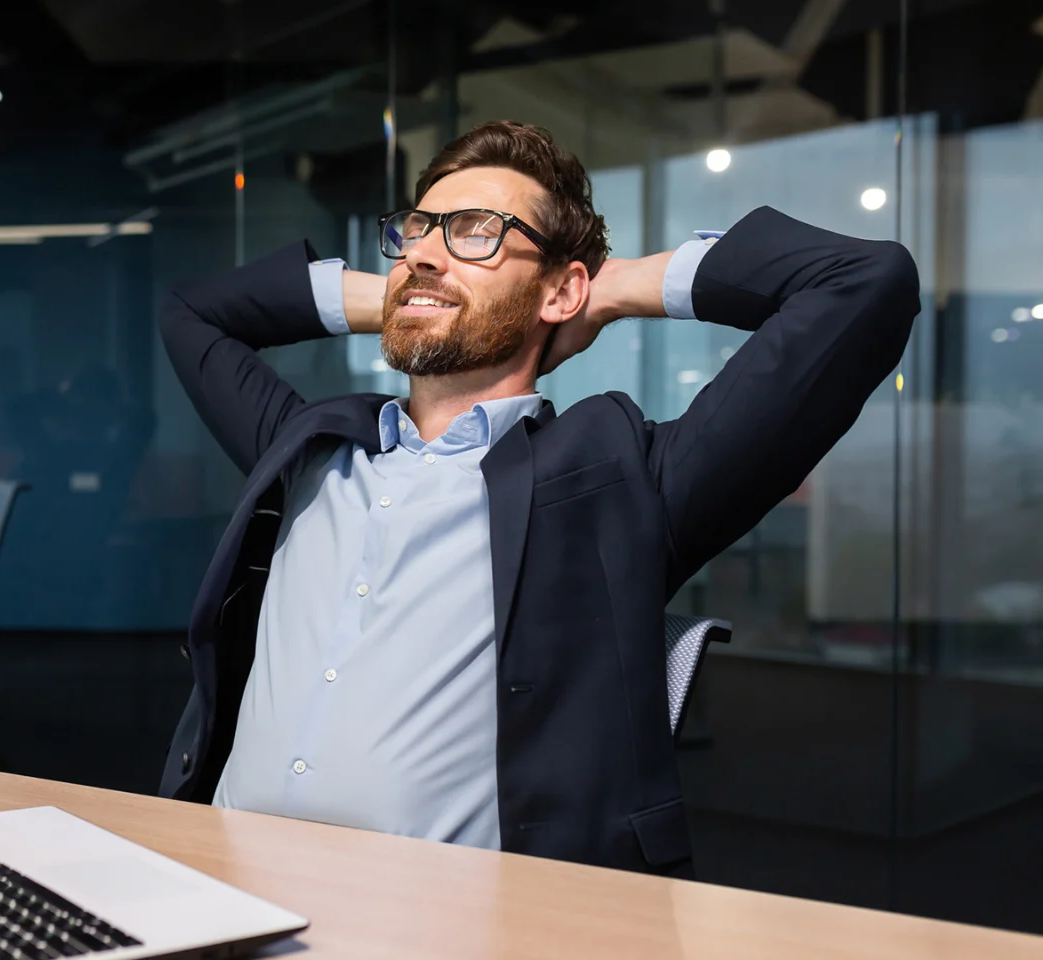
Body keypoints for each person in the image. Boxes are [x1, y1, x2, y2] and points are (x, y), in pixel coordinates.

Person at [157, 120, 919, 877]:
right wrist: (410, 292)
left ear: (562, 288)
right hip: (223, 890)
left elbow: (863, 284)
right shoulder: (308, 446)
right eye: (417, 231)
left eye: (475, 232)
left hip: (449, 926)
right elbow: (193, 314)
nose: (423, 251)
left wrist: (611, 288)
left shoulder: (626, 478)